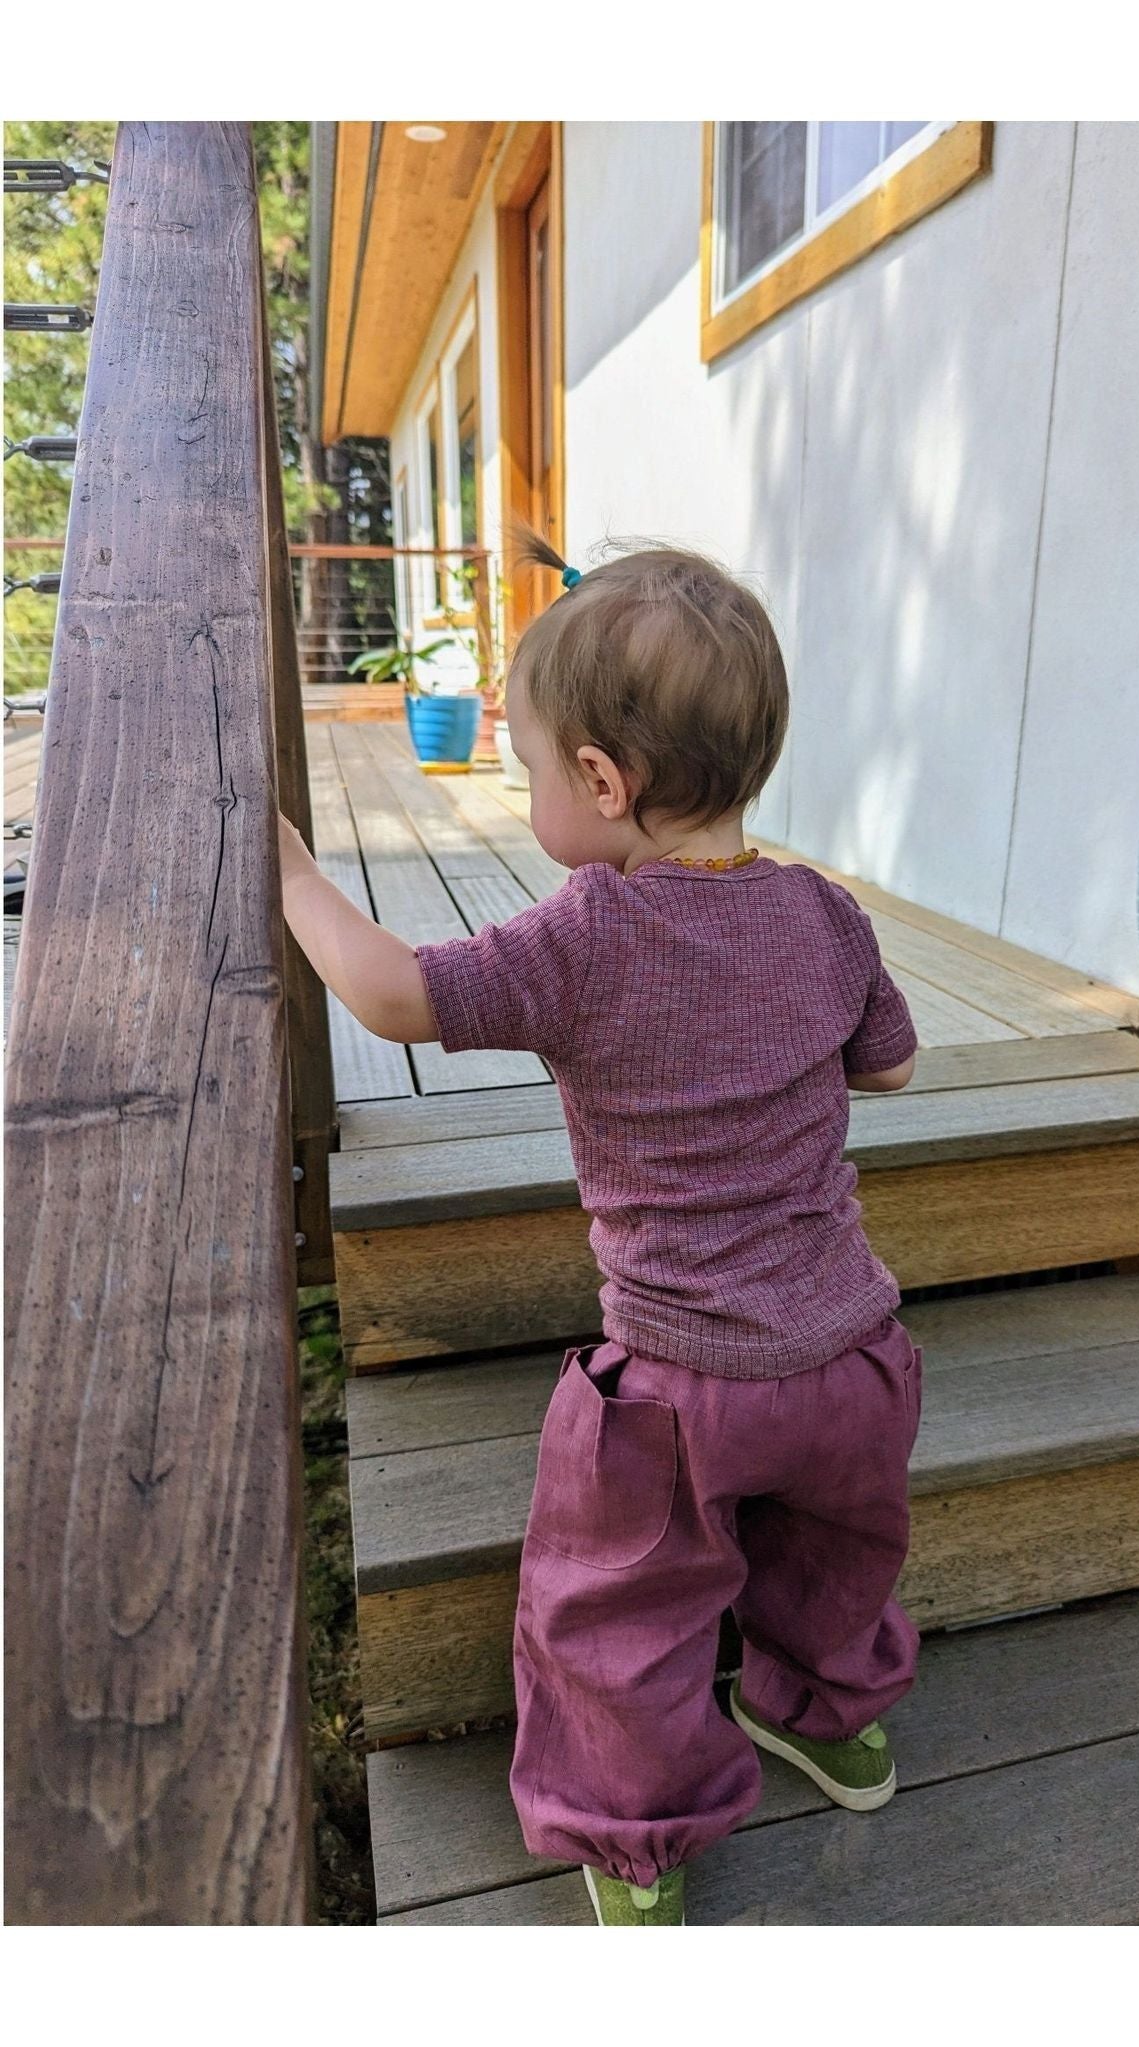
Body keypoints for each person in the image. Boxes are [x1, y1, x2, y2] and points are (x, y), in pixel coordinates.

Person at [278, 534, 923, 1927]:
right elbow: (889, 1066)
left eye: (527, 771)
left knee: (617, 1613)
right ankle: (831, 1723)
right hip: (855, 1354)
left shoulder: (584, 938)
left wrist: (289, 880)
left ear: (602, 783)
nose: (527, 800)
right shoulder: (823, 913)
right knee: (835, 1562)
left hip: (678, 1393)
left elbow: (394, 996)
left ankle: (635, 1844)